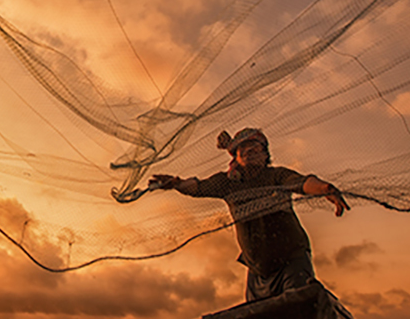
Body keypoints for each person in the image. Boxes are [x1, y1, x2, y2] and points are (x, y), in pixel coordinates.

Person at [149, 128, 349, 302]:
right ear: (236, 158)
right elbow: (198, 187)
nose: (249, 152)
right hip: (257, 270)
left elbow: (303, 182)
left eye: (255, 149)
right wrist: (175, 183)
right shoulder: (228, 183)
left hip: (291, 262)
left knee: (299, 309)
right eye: (243, 150)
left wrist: (325, 188)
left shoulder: (276, 176)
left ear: (265, 156)